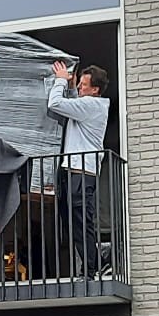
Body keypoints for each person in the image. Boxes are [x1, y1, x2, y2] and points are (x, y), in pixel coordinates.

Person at [47, 61, 110, 279]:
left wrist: (60, 81)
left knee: (81, 222)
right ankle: (98, 260)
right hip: (74, 171)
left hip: (81, 172)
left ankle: (91, 269)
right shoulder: (87, 105)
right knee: (73, 223)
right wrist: (72, 87)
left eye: (84, 85)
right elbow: (73, 105)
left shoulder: (92, 105)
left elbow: (55, 103)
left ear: (95, 90)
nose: (80, 87)